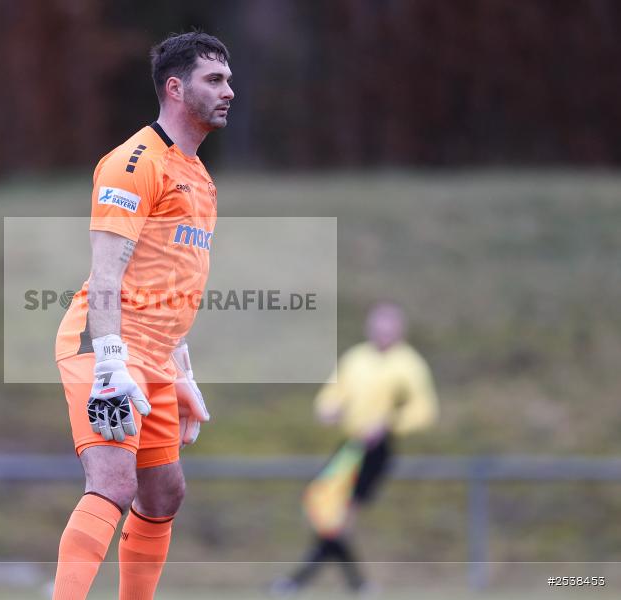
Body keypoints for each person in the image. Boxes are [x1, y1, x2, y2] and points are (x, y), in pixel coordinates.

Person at [51, 31, 233, 600]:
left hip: (152, 355)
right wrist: (109, 362)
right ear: (175, 88)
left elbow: (168, 280)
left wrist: (180, 366)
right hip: (103, 346)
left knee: (163, 495)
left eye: (228, 79)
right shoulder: (134, 162)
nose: (230, 91)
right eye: (215, 80)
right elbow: (106, 274)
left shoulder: (199, 176)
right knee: (112, 482)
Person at [272, 302, 439, 595]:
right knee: (322, 509)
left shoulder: (409, 365)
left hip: (378, 449)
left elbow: (424, 410)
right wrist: (328, 408)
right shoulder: (357, 358)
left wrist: (388, 423)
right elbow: (333, 392)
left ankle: (299, 582)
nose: (382, 334)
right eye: (377, 327)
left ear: (400, 331)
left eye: (388, 328)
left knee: (337, 518)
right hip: (350, 445)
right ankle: (355, 585)